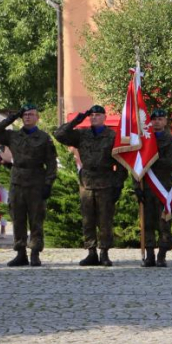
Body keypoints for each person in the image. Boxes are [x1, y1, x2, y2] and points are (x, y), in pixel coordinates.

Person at [53, 105, 127, 267]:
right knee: (88, 219)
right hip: (86, 181)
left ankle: (104, 252)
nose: (94, 117)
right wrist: (78, 119)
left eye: (98, 115)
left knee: (105, 219)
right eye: (91, 115)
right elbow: (59, 134)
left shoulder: (112, 136)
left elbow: (122, 163)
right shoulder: (82, 134)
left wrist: (118, 184)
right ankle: (91, 252)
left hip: (106, 180)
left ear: (104, 117)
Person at [0, 103, 57, 266]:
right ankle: (20, 253)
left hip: (36, 181)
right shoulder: (13, 136)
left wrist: (48, 184)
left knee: (36, 219)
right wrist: (11, 118)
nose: (27, 116)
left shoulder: (44, 138)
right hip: (17, 181)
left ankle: (35, 253)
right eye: (24, 114)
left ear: (37, 118)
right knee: (17, 218)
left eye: (31, 114)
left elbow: (51, 163)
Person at [134, 109, 172, 268]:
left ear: (165, 121)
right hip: (146, 187)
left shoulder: (171, 140)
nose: (157, 122)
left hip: (163, 187)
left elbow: (169, 162)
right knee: (147, 223)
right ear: (150, 122)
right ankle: (150, 255)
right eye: (154, 119)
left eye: (160, 119)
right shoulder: (143, 141)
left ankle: (162, 255)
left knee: (163, 222)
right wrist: (136, 186)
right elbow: (136, 166)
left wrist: (150, 158)